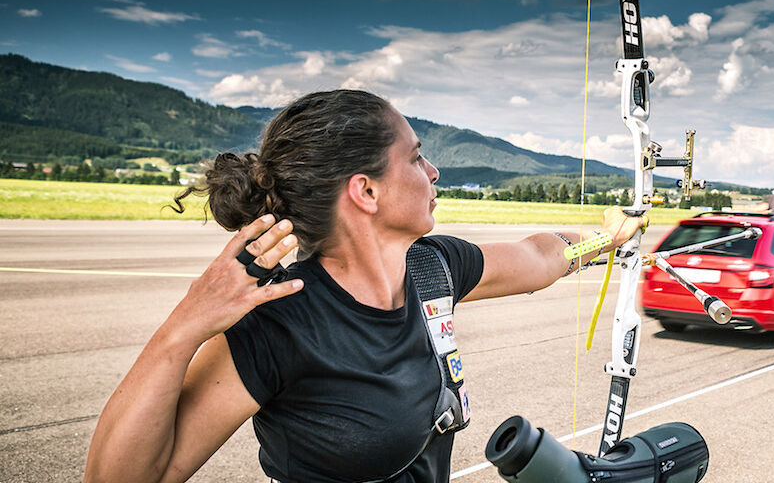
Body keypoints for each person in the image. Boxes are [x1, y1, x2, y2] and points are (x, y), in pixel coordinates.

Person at [83, 89, 645, 483]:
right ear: (366, 192)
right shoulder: (282, 320)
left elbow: (536, 258)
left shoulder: (432, 266)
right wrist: (185, 325)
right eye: (417, 157)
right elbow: (121, 478)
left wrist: (606, 240)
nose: (434, 173)